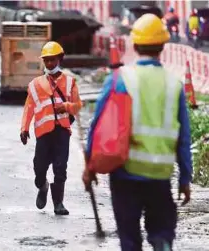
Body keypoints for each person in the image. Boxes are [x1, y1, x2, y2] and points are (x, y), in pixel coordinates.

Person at [82, 13, 192, 251]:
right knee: (161, 232)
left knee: (129, 238)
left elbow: (98, 125)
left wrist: (90, 167)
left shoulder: (120, 79)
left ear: (134, 43)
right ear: (163, 46)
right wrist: (185, 178)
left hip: (125, 172)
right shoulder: (174, 85)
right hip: (160, 174)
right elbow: (184, 137)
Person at [20, 41, 82, 215]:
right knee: (39, 168)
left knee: (60, 167)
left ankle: (58, 203)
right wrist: (24, 128)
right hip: (43, 133)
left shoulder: (70, 82)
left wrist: (67, 106)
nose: (49, 64)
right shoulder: (35, 84)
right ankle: (43, 186)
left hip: (62, 131)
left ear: (60, 59)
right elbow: (29, 107)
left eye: (52, 60)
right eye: (46, 60)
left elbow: (77, 105)